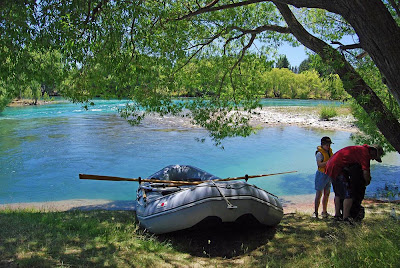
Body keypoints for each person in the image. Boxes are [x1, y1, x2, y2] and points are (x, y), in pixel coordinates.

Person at [325, 144, 384, 223]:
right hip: (338, 168)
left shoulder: (359, 149)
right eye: (374, 157)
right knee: (349, 194)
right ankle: (345, 219)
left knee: (338, 193)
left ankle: (337, 215)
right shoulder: (365, 154)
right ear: (373, 152)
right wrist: (366, 182)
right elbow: (366, 172)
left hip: (331, 165)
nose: (373, 159)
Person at [313, 136, 334, 219]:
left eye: (329, 145)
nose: (328, 146)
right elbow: (319, 164)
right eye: (327, 145)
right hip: (321, 175)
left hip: (329, 174)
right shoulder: (319, 153)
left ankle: (324, 211)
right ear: (322, 144)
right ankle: (315, 212)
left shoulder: (330, 151)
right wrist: (330, 162)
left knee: (327, 193)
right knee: (319, 194)